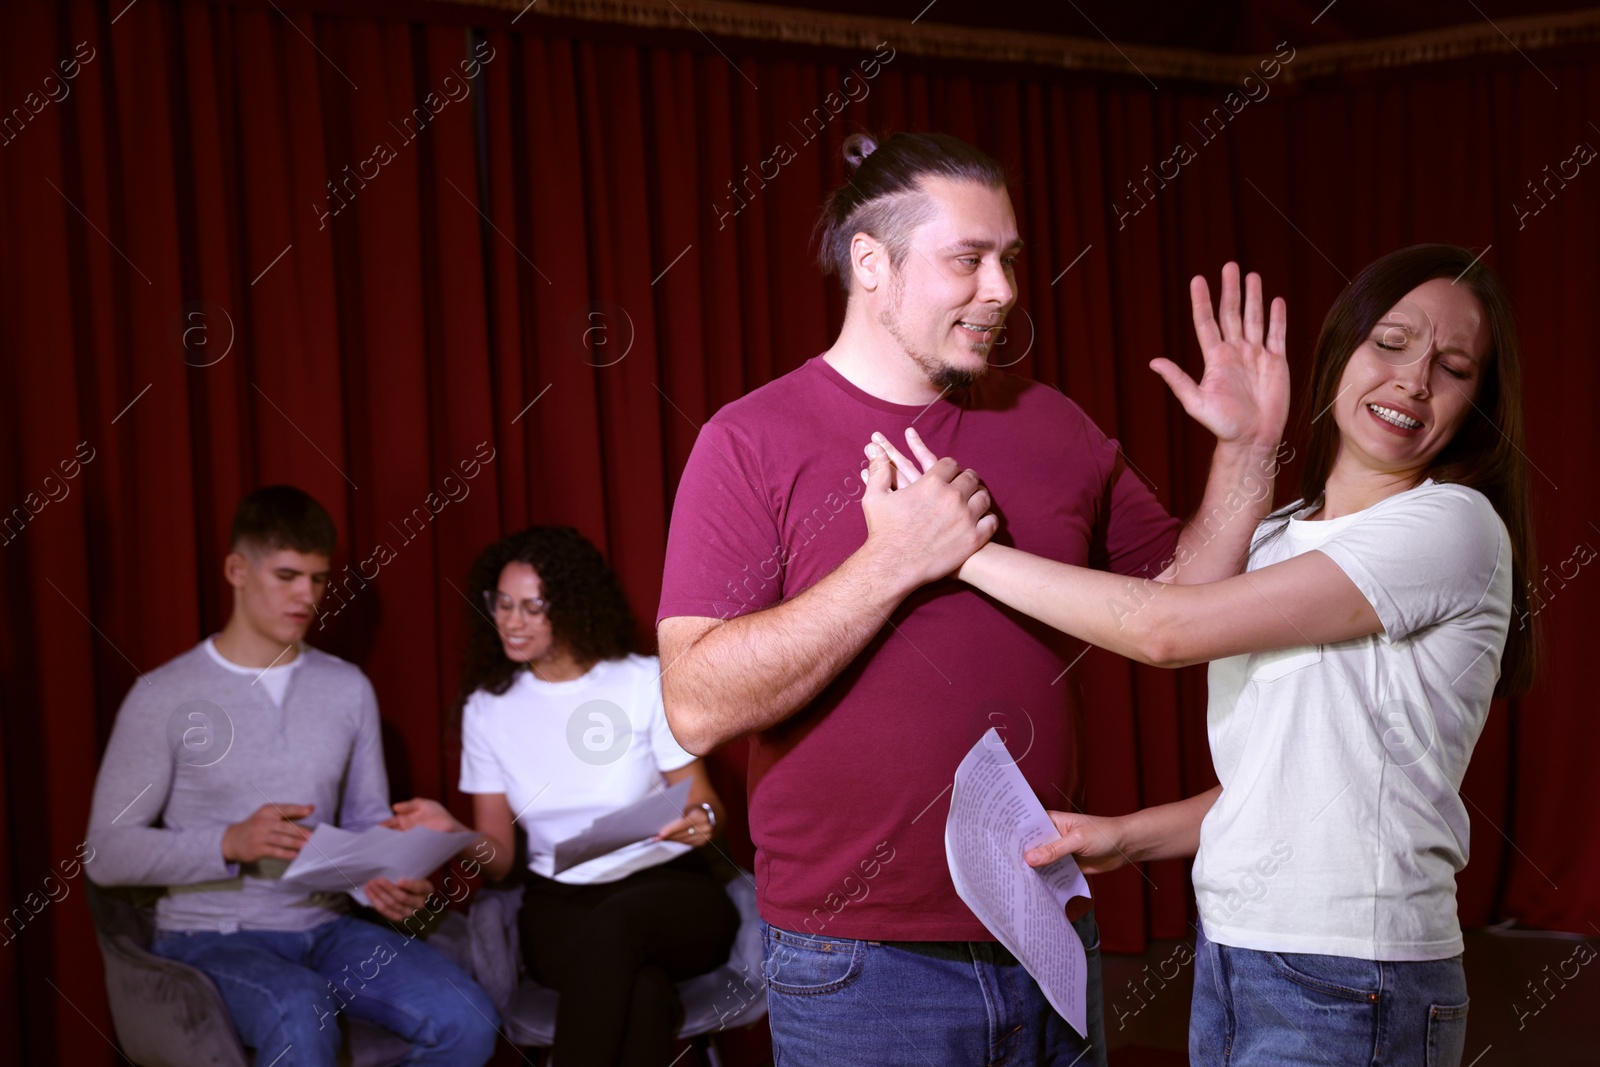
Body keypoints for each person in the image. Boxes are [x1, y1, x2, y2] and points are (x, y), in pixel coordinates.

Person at [655, 130, 1288, 1065]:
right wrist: (894, 560)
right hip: (858, 963)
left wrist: (1246, 453)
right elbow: (697, 707)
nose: (1004, 289)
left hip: (1046, 925)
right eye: (969, 260)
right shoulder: (750, 439)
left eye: (1010, 259)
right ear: (870, 262)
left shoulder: (1053, 424)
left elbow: (1188, 610)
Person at [889, 244, 1533, 1067]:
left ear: (1478, 404)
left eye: (1453, 366)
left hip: (1356, 970)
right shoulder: (1275, 534)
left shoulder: (1454, 525)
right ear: (1341, 353)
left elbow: (1164, 630)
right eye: (1392, 343)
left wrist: (959, 550)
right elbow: (1275, 781)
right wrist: (1125, 837)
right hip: (1235, 949)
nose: (1413, 381)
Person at [84, 485, 498, 1067]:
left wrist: (380, 881)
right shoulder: (163, 694)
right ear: (236, 570)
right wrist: (228, 842)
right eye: (287, 576)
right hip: (214, 937)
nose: (307, 596)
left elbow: (361, 822)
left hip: (328, 928)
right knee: (300, 1008)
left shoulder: (348, 687)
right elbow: (105, 853)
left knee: (470, 1019)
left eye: (319, 579)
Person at [388, 526, 740, 1067]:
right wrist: (453, 834)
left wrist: (703, 819)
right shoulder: (488, 709)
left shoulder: (643, 680)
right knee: (644, 995)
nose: (510, 620)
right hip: (560, 906)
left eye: (533, 607)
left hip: (669, 890)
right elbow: (501, 862)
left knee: (618, 929)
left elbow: (704, 804)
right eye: (502, 604)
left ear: (573, 607)